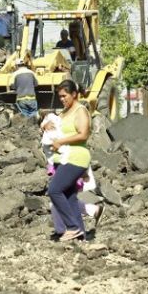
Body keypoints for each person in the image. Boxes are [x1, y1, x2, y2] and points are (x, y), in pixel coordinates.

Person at [42, 79, 94, 241]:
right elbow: (55, 127)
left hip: (76, 157)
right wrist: (45, 126)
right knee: (70, 197)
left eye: (65, 96)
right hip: (63, 158)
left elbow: (83, 134)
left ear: (74, 94)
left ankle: (71, 227)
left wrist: (61, 142)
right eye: (60, 96)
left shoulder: (80, 111)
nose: (62, 99)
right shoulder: (64, 112)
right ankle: (81, 236)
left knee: (54, 190)